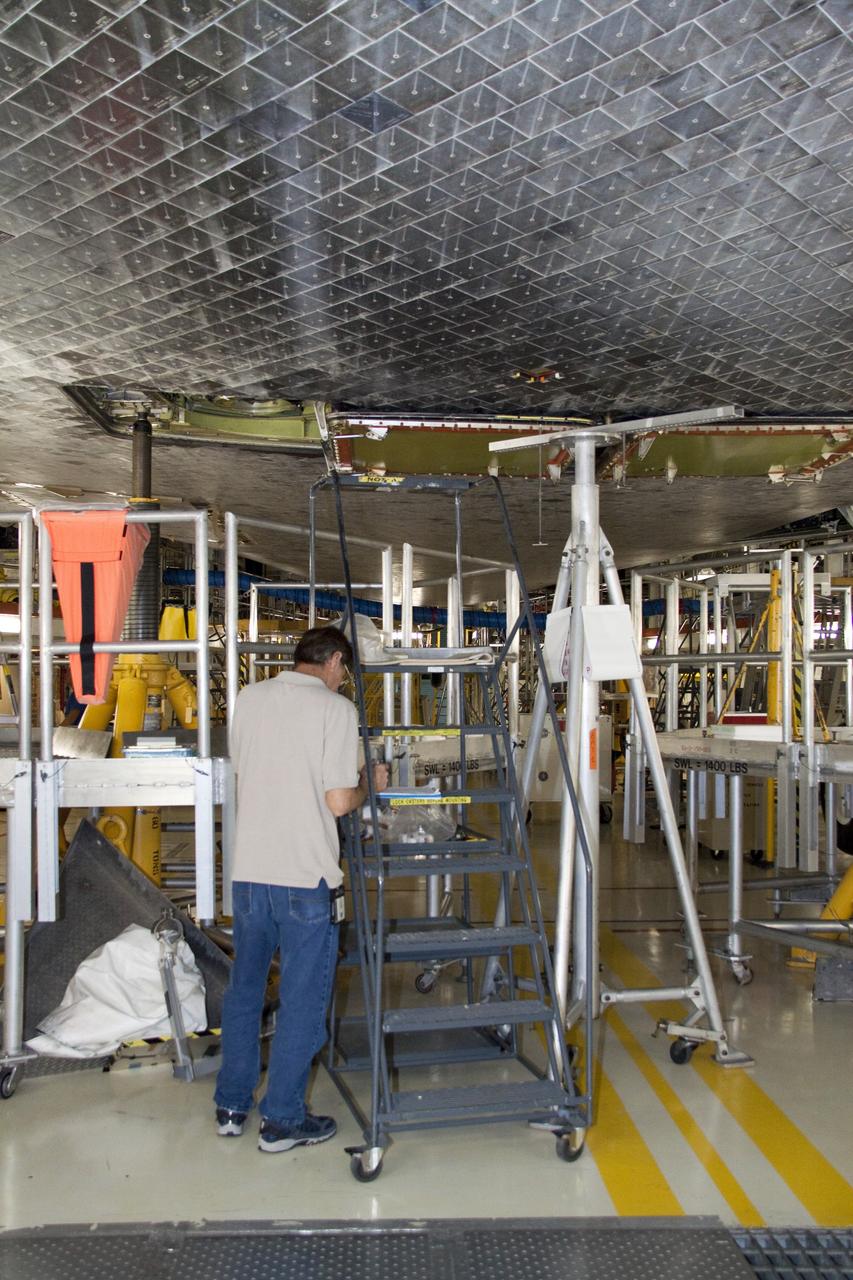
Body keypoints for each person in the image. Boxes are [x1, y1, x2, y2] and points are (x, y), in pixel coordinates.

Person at [213, 624, 388, 1153]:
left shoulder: (250, 698)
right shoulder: (335, 711)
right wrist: (369, 786)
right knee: (301, 1000)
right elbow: (337, 801)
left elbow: (254, 774)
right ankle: (283, 1119)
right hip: (305, 882)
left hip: (248, 877)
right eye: (345, 674)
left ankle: (231, 1104)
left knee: (245, 993)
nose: (343, 683)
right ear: (334, 662)